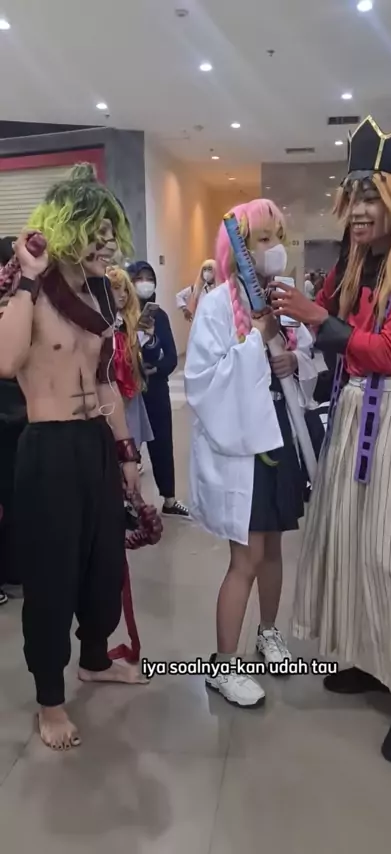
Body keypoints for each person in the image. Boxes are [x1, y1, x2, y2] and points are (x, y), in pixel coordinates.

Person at [271, 116, 391, 763]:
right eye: (352, 197)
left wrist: (318, 318)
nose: (358, 211)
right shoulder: (356, 262)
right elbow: (327, 334)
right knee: (353, 547)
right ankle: (374, 663)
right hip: (355, 416)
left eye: (372, 197)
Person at [0, 164, 146, 751]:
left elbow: (107, 381)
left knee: (103, 567)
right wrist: (29, 281)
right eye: (96, 232)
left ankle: (94, 659)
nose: (107, 244)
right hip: (49, 448)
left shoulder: (101, 293)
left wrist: (126, 452)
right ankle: (49, 700)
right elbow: (5, 362)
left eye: (111, 233)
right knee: (52, 577)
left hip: (95, 445)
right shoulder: (29, 292)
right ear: (66, 230)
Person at [185, 199, 318, 707]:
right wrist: (256, 345)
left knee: (274, 547)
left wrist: (294, 362)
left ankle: (268, 633)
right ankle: (223, 666)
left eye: (278, 236)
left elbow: (309, 354)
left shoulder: (284, 296)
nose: (275, 248)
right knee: (246, 557)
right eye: (263, 238)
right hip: (243, 448)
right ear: (239, 246)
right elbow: (203, 381)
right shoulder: (219, 305)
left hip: (281, 436)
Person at [127, 261, 189, 517]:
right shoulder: (121, 315)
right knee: (129, 446)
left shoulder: (159, 316)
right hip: (129, 391)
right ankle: (129, 502)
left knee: (162, 443)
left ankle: (169, 499)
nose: (145, 283)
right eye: (139, 278)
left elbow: (172, 357)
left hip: (156, 389)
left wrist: (156, 365)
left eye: (149, 277)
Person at [0, 236, 27, 604]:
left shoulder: (25, 306)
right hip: (6, 417)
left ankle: (15, 569)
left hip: (22, 417)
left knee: (17, 499)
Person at [107, 266, 154, 452]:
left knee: (132, 443)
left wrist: (147, 336)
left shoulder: (128, 321)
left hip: (131, 392)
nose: (123, 294)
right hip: (108, 394)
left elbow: (134, 355)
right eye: (116, 288)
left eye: (126, 289)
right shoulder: (99, 321)